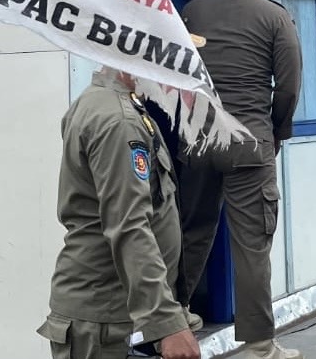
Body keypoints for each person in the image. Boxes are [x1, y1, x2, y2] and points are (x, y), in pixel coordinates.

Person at [178, 0, 303, 359]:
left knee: (190, 228)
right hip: (250, 141)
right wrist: (277, 131)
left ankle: (173, 319)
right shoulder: (276, 17)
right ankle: (259, 345)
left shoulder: (194, 11)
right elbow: (287, 86)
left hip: (197, 137)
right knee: (252, 244)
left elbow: (177, 70)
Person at [36, 67, 200, 359]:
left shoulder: (115, 104)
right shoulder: (119, 120)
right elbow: (129, 225)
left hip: (114, 313)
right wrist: (165, 323)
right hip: (106, 321)